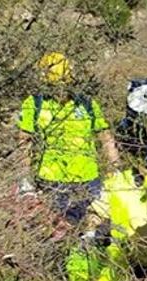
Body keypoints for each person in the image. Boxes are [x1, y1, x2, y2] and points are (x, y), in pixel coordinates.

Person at [17, 52, 121, 226]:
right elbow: (24, 142)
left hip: (88, 179)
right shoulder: (34, 104)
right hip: (51, 179)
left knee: (92, 227)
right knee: (57, 228)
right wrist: (24, 179)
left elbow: (106, 138)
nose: (61, 90)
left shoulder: (87, 104)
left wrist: (116, 170)